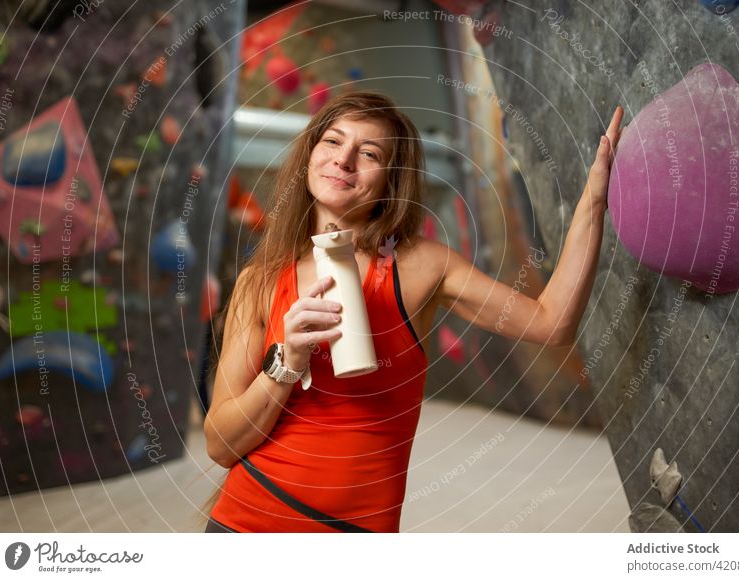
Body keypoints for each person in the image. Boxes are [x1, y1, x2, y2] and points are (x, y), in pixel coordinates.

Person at [203, 91, 624, 532]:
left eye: (368, 153)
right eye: (332, 141)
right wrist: (285, 365)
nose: (343, 160)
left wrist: (594, 199)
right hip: (245, 521)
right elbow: (220, 444)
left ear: (391, 179)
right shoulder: (262, 280)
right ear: (309, 153)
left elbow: (551, 322)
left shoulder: (422, 266)